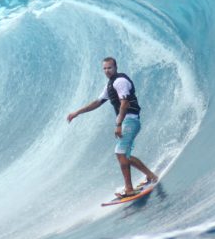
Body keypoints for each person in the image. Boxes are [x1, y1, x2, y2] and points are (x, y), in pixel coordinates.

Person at [67, 57, 159, 197]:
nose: (107, 71)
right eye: (104, 68)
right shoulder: (110, 84)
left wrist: (118, 124)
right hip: (127, 121)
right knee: (124, 156)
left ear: (116, 67)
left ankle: (129, 189)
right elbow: (97, 102)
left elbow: (125, 103)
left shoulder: (120, 81)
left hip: (130, 120)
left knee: (120, 154)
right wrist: (77, 113)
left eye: (109, 68)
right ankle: (151, 176)